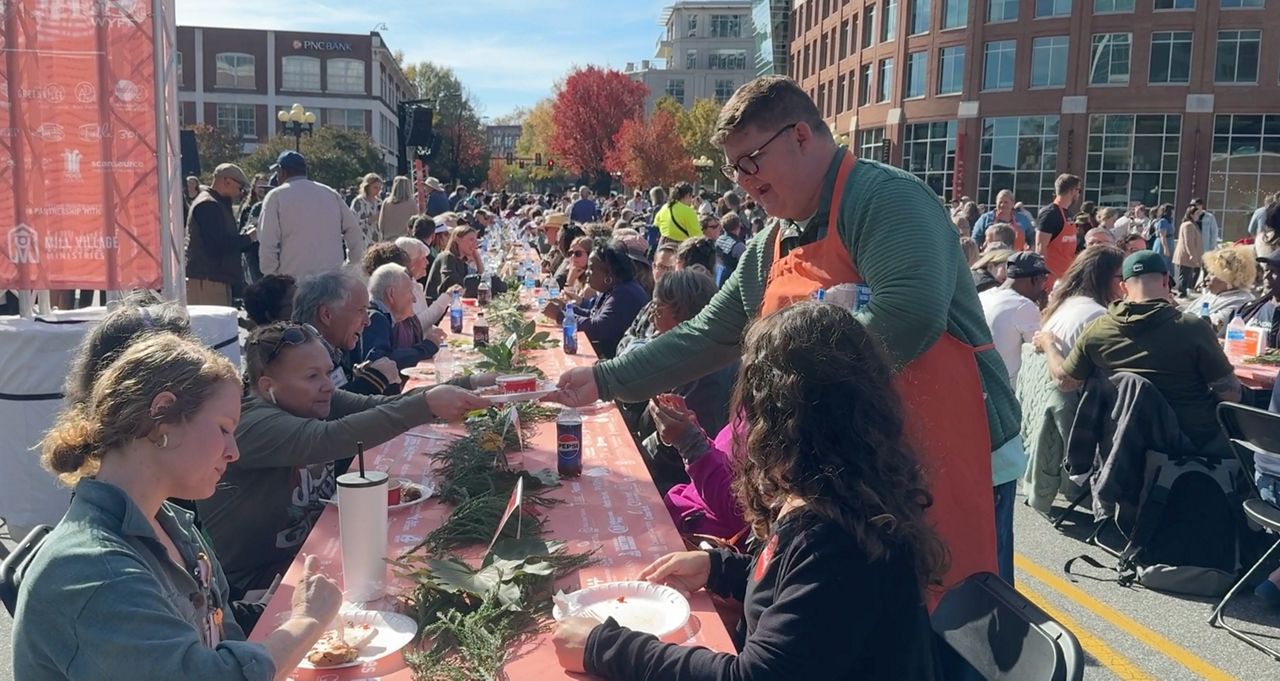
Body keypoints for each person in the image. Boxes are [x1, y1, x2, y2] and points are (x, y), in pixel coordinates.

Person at [553, 75, 1018, 592]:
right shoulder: (773, 241)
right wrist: (604, 379)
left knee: (957, 633)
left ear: (800, 136)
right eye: (734, 170)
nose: (743, 181)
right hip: (856, 472)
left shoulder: (886, 199)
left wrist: (790, 400)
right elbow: (710, 333)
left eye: (750, 161)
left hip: (952, 458)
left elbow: (909, 313)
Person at [553, 303, 942, 680]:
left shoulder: (835, 535)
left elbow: (756, 675)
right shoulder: (837, 491)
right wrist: (721, 569)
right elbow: (799, 599)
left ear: (779, 415)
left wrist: (605, 648)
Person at [15, 333, 344, 679]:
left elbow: (219, 635)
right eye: (223, 429)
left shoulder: (171, 523)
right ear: (161, 416)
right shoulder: (96, 572)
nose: (234, 452)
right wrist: (307, 620)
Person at [198, 323, 490, 600]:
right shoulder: (253, 423)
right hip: (256, 584)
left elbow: (383, 405)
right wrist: (427, 405)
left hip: (312, 552)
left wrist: (471, 383)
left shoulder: (313, 398)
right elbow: (329, 437)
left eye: (328, 372)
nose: (328, 385)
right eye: (312, 377)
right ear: (267, 386)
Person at [1035, 251, 1241, 455]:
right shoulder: (1193, 328)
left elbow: (1065, 381)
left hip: (1121, 445)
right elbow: (1231, 394)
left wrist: (1049, 344)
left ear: (1124, 287)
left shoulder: (1098, 329)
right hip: (1191, 446)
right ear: (1166, 280)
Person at [636, 268, 735, 490]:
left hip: (682, 485)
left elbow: (675, 451)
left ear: (681, 311)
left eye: (658, 306)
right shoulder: (687, 354)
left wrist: (634, 450)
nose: (652, 314)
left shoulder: (705, 368)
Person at [258, 151, 366, 280]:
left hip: (293, 279)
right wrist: (351, 265)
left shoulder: (276, 196)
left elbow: (267, 241)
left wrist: (271, 275)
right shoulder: (330, 193)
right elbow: (353, 230)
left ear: (282, 172)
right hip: (331, 278)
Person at [292, 270, 399, 396]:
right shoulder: (298, 356)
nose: (367, 321)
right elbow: (322, 408)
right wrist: (375, 380)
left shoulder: (335, 350)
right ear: (326, 314)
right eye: (360, 311)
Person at [543, 238, 650, 360]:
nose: (587, 272)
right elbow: (593, 314)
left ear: (608, 274)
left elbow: (599, 327)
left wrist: (560, 316)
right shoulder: (614, 288)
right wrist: (566, 307)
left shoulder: (625, 294)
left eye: (592, 268)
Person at [186, 163, 254, 306]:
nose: (240, 193)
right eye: (240, 188)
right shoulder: (209, 205)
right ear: (227, 181)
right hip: (208, 281)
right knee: (209, 327)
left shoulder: (215, 203)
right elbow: (217, 246)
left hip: (213, 280)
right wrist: (249, 238)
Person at [1039, 246, 1125, 357]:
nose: (1126, 284)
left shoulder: (1063, 305)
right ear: (1102, 278)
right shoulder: (1098, 316)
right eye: (1123, 277)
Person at [979, 252, 1048, 386]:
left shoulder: (983, 295)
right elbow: (1040, 353)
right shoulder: (1024, 306)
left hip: (978, 382)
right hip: (1005, 389)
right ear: (1035, 279)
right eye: (1044, 279)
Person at [364, 263, 446, 370]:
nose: (414, 299)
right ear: (391, 294)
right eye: (409, 291)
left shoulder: (389, 317)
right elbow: (382, 362)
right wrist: (426, 347)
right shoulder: (375, 318)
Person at [1189, 246, 1257, 332]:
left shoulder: (1240, 302)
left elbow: (1212, 327)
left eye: (1213, 274)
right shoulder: (1212, 294)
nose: (1206, 278)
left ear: (1228, 278)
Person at [1035, 174, 1082, 284]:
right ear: (1072, 191)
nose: (1079, 194)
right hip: (1051, 281)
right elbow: (1040, 249)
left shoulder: (1068, 213)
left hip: (1065, 278)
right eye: (1078, 190)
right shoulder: (1050, 214)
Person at [423, 225, 482, 302]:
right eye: (471, 240)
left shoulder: (461, 261)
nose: (475, 244)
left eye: (475, 241)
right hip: (435, 306)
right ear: (457, 239)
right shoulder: (447, 257)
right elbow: (452, 285)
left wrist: (477, 258)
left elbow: (482, 280)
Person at [1173, 205, 1205, 297]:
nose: (1198, 216)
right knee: (1184, 275)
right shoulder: (1188, 225)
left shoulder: (1191, 224)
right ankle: (1181, 292)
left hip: (1188, 254)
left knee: (1187, 274)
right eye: (1196, 214)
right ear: (1191, 214)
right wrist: (1192, 255)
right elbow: (1189, 242)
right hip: (1186, 255)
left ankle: (1184, 291)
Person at [713, 212, 749, 284]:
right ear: (738, 226)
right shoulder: (739, 246)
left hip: (717, 278)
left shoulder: (718, 240)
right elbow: (746, 268)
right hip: (733, 282)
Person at [350, 173, 384, 247]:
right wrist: (371, 219)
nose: (378, 190)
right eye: (375, 187)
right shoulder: (358, 202)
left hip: (377, 241)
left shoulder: (379, 202)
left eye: (379, 188)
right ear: (367, 187)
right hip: (362, 241)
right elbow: (354, 223)